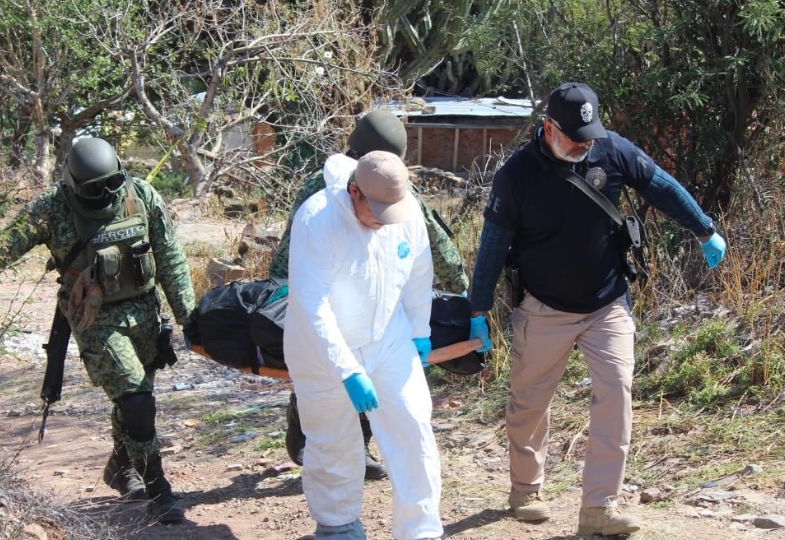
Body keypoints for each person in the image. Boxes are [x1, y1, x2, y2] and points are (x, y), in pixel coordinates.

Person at [468, 82, 728, 537]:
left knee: (616, 395)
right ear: (549, 128)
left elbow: (662, 187)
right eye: (575, 138)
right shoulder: (517, 174)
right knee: (529, 403)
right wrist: (478, 310)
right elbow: (493, 243)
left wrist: (704, 229)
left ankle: (599, 509)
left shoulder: (611, 149)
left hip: (607, 303)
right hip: (543, 306)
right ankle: (526, 490)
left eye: (589, 136)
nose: (585, 145)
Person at [0, 138, 196, 524]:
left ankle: (120, 466)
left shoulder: (141, 196)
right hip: (94, 319)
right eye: (94, 189)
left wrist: (190, 318)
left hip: (144, 312)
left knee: (134, 395)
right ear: (74, 185)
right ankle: (159, 489)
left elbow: (170, 257)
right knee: (137, 401)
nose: (105, 194)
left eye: (112, 184)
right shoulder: (52, 208)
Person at [270, 109, 469, 481]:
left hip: (359, 306)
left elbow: (425, 245)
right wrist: (461, 289)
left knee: (366, 370)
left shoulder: (377, 187)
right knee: (331, 377)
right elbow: (439, 245)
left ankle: (349, 444)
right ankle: (317, 438)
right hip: (319, 297)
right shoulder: (330, 191)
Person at [284, 151, 443, 540]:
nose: (384, 222)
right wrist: (348, 370)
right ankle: (338, 525)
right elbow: (312, 304)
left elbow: (419, 272)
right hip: (321, 348)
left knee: (413, 426)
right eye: (376, 212)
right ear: (354, 192)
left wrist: (419, 329)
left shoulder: (405, 211)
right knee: (333, 440)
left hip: (388, 338)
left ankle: (420, 530)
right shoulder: (317, 217)